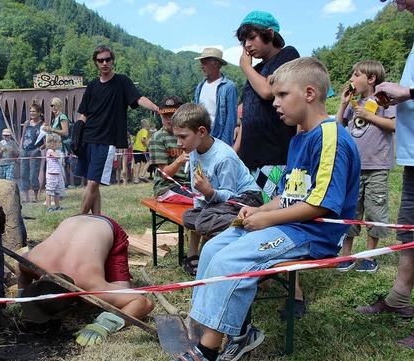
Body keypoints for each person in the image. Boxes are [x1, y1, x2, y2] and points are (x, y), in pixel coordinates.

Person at [175, 57, 361, 361]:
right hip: (288, 224)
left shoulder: (331, 137)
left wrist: (268, 219)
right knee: (212, 251)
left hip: (314, 233)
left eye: (282, 95)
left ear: (310, 94)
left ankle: (209, 348)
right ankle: (214, 326)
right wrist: (259, 212)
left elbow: (321, 206)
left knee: (231, 259)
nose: (275, 103)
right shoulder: (299, 138)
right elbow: (288, 195)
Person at [236, 10, 306, 320]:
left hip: (276, 156)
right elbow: (247, 116)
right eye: (243, 41)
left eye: (251, 38)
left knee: (280, 220)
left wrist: (244, 67)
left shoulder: (287, 57)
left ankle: (296, 292)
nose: (247, 45)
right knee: (256, 218)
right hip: (252, 158)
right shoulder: (259, 69)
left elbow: (267, 91)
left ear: (270, 34)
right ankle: (265, 272)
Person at [356, 0, 414, 349]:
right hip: (412, 156)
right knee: (408, 230)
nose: (395, 4)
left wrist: (407, 93)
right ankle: (399, 298)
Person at [16, 215, 154, 345]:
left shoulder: (90, 289)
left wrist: (105, 324)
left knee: (120, 297)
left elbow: (143, 303)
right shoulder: (32, 263)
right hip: (74, 220)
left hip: (107, 227)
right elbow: (19, 267)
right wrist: (21, 294)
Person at [173, 103, 263, 276]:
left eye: (183, 137)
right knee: (189, 216)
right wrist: (204, 198)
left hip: (246, 198)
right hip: (218, 203)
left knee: (203, 220)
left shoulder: (223, 156)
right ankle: (238, 229)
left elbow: (230, 194)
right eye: (177, 137)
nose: (179, 143)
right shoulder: (193, 151)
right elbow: (197, 196)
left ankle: (255, 226)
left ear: (201, 131)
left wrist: (209, 193)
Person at [75, 45, 160, 214]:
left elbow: (139, 98)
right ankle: (97, 219)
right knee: (93, 181)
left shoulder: (122, 81)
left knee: (93, 182)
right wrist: (76, 134)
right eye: (100, 60)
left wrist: (158, 109)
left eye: (107, 59)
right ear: (96, 63)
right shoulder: (92, 85)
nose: (104, 63)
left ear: (112, 60)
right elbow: (83, 113)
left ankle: (80, 219)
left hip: (106, 140)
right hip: (88, 136)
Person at [334, 60, 395, 273]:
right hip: (354, 167)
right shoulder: (353, 104)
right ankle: (347, 255)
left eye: (356, 75)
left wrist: (369, 116)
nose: (351, 79)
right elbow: (339, 126)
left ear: (371, 79)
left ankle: (369, 255)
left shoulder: (384, 100)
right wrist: (343, 104)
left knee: (375, 210)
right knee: (351, 209)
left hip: (377, 165)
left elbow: (394, 125)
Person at [149, 95, 193, 205]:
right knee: (199, 201)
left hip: (189, 185)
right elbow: (164, 174)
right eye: (165, 115)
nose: (169, 118)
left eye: (173, 114)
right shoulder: (158, 137)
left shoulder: (190, 134)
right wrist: (179, 160)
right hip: (167, 188)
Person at [193, 48, 238, 146]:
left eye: (204, 62)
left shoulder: (228, 87)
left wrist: (224, 145)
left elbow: (231, 119)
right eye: (201, 63)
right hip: (201, 139)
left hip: (218, 139)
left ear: (216, 64)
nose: (201, 66)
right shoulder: (200, 87)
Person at [20, 104, 44, 203]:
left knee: (34, 174)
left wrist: (39, 149)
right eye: (30, 111)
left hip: (35, 150)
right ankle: (26, 197)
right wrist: (20, 148)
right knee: (23, 173)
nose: (32, 113)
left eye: (34, 111)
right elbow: (22, 136)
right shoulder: (26, 123)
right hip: (24, 150)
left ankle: (35, 197)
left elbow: (47, 141)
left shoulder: (43, 125)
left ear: (39, 113)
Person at [44, 133, 65, 212]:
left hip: (58, 175)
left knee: (57, 191)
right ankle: (49, 207)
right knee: (49, 191)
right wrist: (60, 156)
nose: (60, 144)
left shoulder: (56, 151)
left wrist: (62, 163)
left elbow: (59, 161)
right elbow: (56, 156)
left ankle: (57, 206)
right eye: (59, 142)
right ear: (53, 143)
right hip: (51, 175)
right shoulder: (50, 151)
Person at [132, 119, 151, 184]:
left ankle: (136, 180)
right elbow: (142, 140)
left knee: (138, 164)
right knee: (148, 161)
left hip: (135, 148)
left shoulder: (139, 131)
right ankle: (142, 175)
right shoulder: (145, 131)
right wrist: (147, 146)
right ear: (146, 124)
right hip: (141, 149)